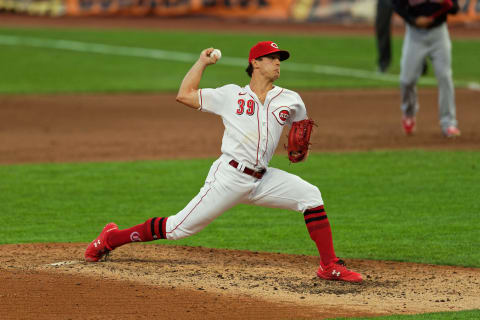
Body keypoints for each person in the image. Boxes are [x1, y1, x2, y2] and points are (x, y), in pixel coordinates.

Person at [84, 41, 363, 283]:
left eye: (280, 59)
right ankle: (110, 239)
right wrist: (201, 63)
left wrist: (301, 151)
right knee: (177, 228)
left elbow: (299, 136)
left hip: (263, 179)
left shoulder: (291, 99)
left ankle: (329, 266)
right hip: (229, 177)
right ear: (255, 62)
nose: (278, 63)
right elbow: (185, 95)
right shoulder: (231, 95)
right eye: (273, 58)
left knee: (310, 195)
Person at [393, 0, 461, 137]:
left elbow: (454, 8)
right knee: (407, 80)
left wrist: (447, 3)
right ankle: (409, 113)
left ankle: (448, 123)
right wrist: (413, 20)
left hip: (439, 34)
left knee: (445, 77)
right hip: (415, 35)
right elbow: (397, 6)